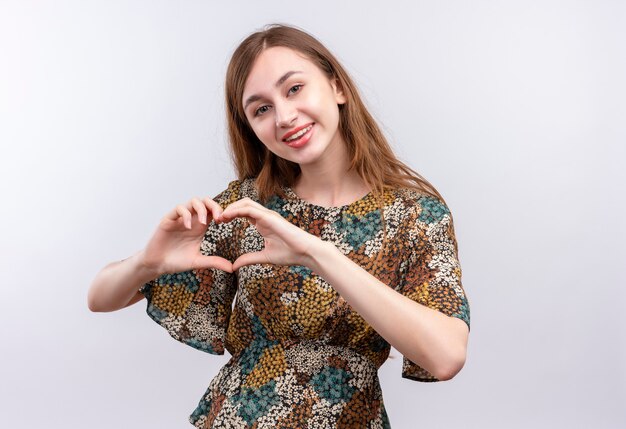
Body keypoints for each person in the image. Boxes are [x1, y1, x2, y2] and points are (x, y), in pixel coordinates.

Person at [88, 24, 470, 429]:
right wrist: (147, 263)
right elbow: (99, 297)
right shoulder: (249, 206)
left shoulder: (414, 214)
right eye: (261, 109)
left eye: (294, 89)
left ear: (337, 87)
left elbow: (446, 356)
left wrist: (315, 254)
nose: (285, 117)